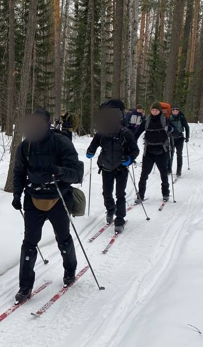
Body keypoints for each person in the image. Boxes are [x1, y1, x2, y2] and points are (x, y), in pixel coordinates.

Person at [12, 108, 84, 302]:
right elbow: (19, 172)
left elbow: (76, 174)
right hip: (33, 197)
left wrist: (58, 171)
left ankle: (70, 270)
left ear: (47, 124)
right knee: (29, 243)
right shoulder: (25, 146)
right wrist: (17, 194)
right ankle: (25, 287)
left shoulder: (61, 143)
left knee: (63, 238)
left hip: (58, 197)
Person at [86, 99, 140, 234]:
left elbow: (135, 150)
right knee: (106, 193)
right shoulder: (101, 133)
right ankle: (110, 210)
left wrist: (129, 159)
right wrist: (90, 152)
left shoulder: (125, 132)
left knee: (120, 194)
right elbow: (93, 145)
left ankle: (120, 219)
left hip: (121, 167)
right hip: (106, 167)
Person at [136, 102, 171, 203]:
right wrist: (131, 142)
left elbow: (174, 129)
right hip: (149, 151)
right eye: (153, 110)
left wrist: (171, 129)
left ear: (160, 111)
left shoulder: (165, 120)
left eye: (156, 110)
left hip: (162, 150)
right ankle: (140, 195)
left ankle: (165, 193)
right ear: (150, 111)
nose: (154, 112)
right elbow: (137, 133)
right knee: (144, 174)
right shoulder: (146, 121)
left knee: (163, 173)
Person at [168, 104, 190, 177]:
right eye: (173, 110)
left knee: (179, 154)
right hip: (171, 138)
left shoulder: (182, 118)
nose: (175, 111)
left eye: (176, 110)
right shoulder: (169, 117)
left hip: (180, 138)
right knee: (170, 153)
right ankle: (169, 169)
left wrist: (187, 137)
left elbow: (187, 127)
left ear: (178, 111)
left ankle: (179, 170)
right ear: (172, 111)